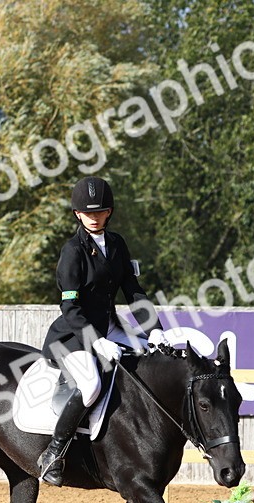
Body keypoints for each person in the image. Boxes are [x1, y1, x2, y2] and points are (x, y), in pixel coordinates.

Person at [38, 176, 167, 486]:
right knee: (92, 384)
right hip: (73, 337)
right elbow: (70, 309)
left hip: (110, 328)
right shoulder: (72, 252)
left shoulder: (117, 244)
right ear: (77, 215)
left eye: (100, 212)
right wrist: (96, 342)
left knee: (153, 357)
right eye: (88, 213)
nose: (94, 218)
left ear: (109, 212)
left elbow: (133, 291)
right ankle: (53, 454)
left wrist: (156, 330)